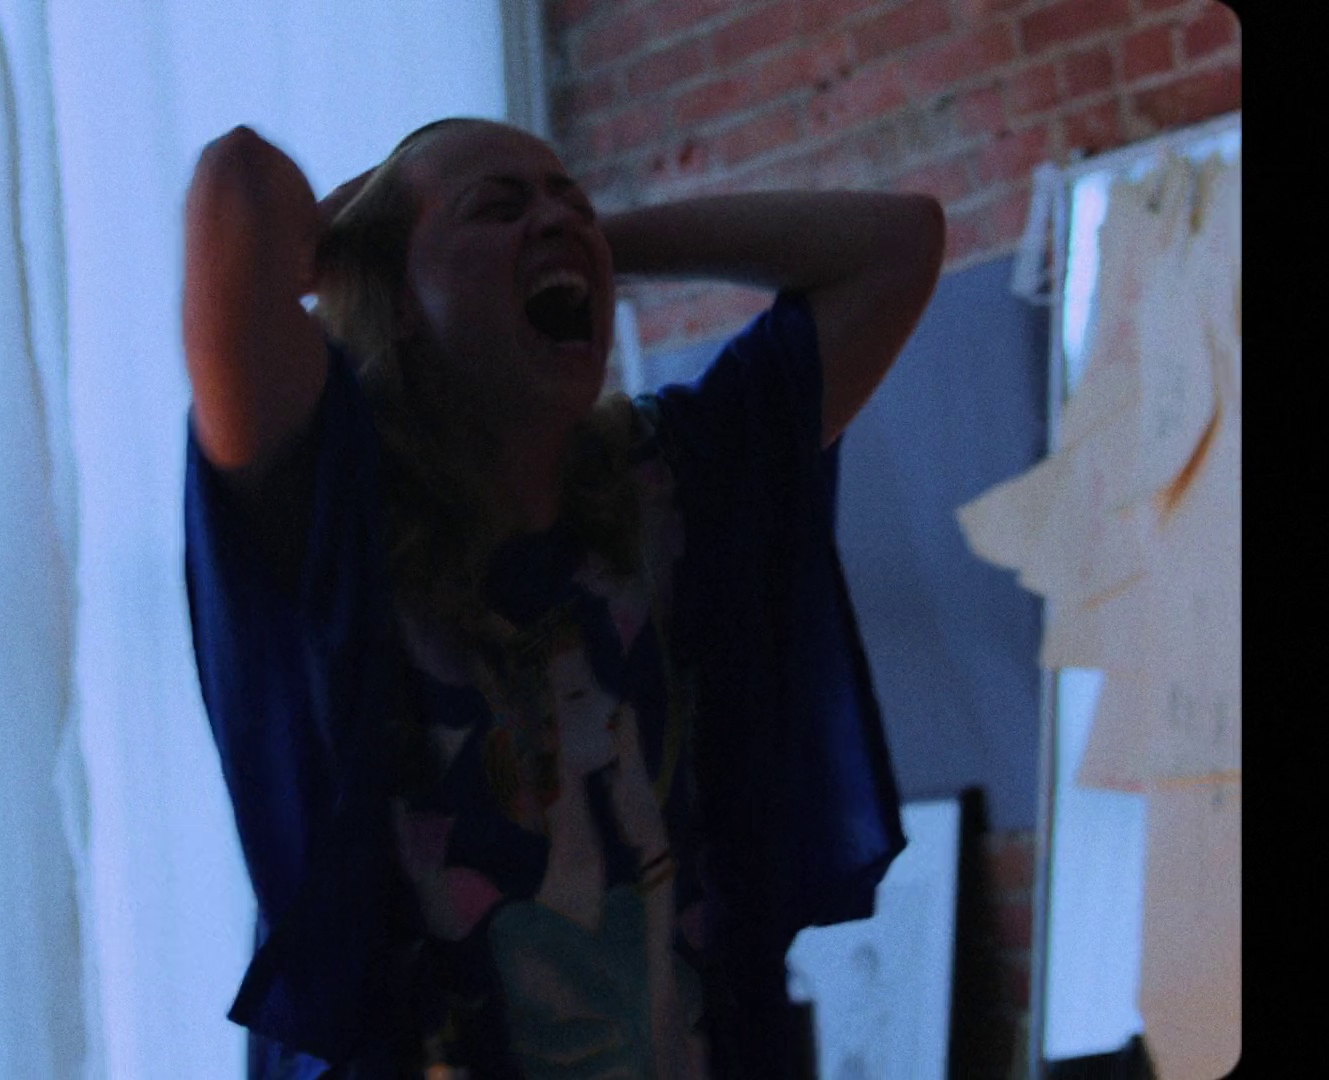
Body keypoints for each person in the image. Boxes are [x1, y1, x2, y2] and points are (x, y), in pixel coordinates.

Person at [181, 117, 944, 1079]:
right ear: (396, 297)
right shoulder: (335, 523)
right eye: (496, 208)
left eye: (567, 198)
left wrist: (582, 245)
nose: (554, 218)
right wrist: (354, 248)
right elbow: (240, 185)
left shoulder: (671, 484)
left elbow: (898, 244)